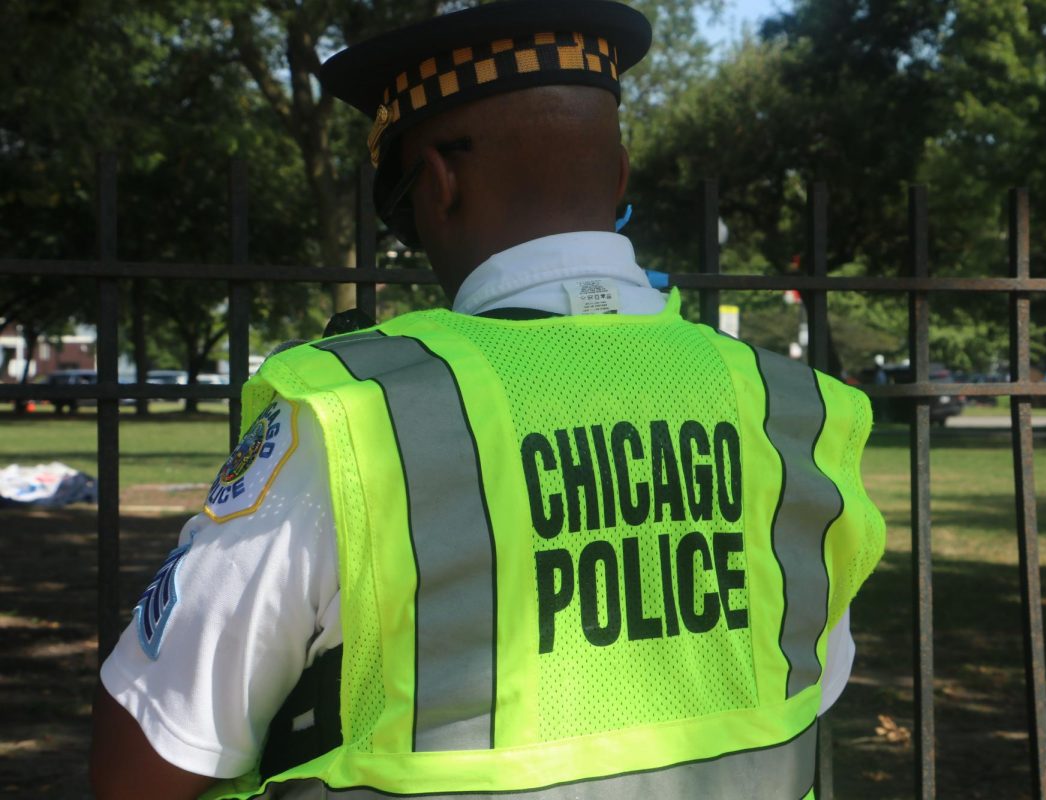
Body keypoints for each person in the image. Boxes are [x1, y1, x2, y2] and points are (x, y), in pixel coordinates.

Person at [90, 1, 885, 797]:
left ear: (436, 183)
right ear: (618, 177)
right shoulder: (797, 415)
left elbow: (150, 760)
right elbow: (811, 690)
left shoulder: (355, 424)